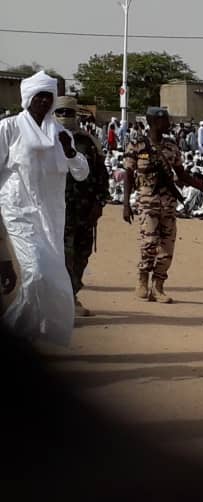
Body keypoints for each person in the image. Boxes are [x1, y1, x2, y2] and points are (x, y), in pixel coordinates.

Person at [0, 72, 89, 344]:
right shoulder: (9, 129)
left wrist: (71, 152)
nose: (42, 101)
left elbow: (81, 173)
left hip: (51, 217)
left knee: (51, 282)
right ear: (27, 98)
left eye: (47, 96)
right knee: (36, 273)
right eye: (38, 96)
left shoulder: (60, 135)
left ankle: (24, 335)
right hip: (18, 212)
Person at [122, 107, 203, 304]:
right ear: (154, 122)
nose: (168, 123)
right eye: (164, 120)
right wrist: (126, 203)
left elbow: (183, 175)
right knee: (149, 242)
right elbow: (128, 174)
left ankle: (158, 286)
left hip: (168, 203)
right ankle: (143, 277)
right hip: (146, 202)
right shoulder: (136, 145)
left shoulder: (171, 146)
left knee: (167, 248)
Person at [53, 97, 109, 318]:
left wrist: (100, 202)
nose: (65, 116)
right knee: (63, 256)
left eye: (69, 112)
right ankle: (64, 301)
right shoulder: (47, 140)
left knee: (82, 255)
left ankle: (72, 292)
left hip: (85, 211)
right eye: (61, 111)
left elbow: (101, 175)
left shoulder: (88, 142)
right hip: (57, 210)